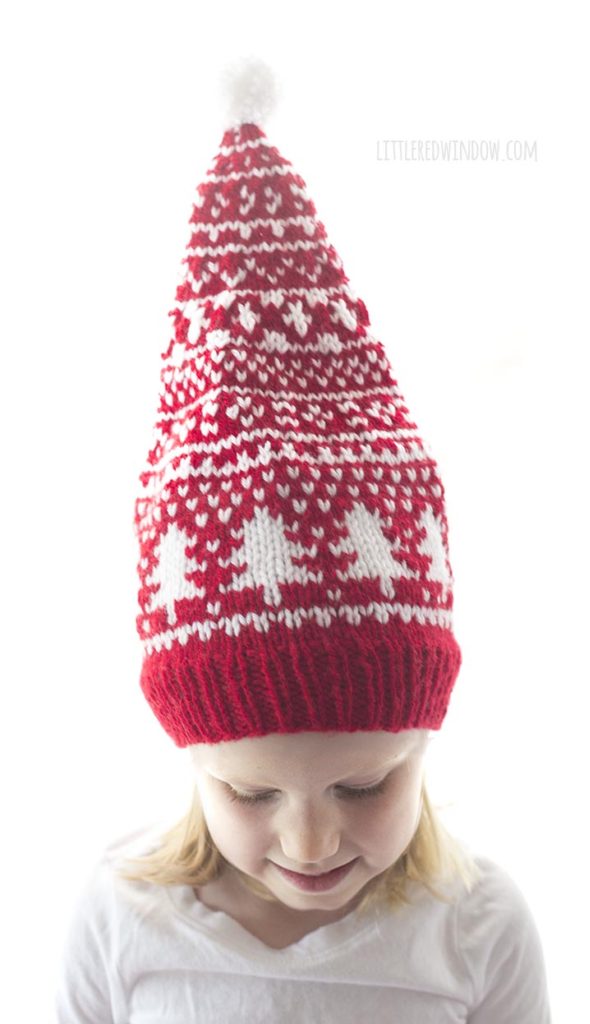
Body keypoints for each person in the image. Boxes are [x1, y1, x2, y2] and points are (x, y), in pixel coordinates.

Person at [55, 57, 552, 1022]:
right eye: (249, 795)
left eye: (364, 785)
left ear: (422, 740)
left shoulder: (478, 927)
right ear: (193, 759)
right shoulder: (122, 919)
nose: (311, 842)